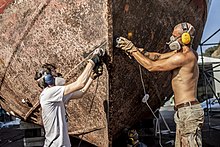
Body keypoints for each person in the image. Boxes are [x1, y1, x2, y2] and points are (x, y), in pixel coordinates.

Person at [116, 22, 204, 147]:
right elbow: (158, 57)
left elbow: (152, 66)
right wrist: (142, 52)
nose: (171, 39)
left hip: (188, 112)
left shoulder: (184, 57)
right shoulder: (188, 53)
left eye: (174, 36)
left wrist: (132, 50)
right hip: (185, 111)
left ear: (185, 38)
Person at [34, 49, 104, 147]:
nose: (57, 75)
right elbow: (79, 84)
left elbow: (81, 93)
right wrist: (92, 61)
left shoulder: (56, 95)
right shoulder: (48, 94)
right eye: (54, 74)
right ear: (48, 79)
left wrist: (92, 77)